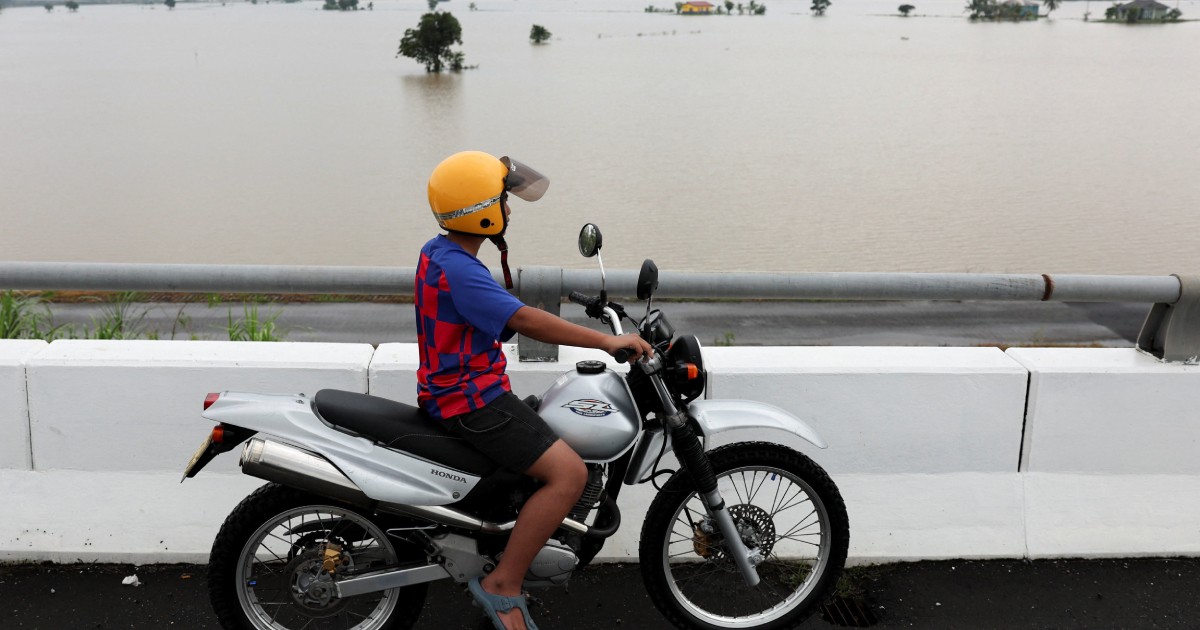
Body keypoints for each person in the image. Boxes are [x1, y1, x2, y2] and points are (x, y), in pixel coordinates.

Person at [414, 150, 653, 630]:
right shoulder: (462, 271)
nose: (508, 209)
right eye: (502, 200)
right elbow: (523, 319)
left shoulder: (438, 252)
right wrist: (608, 341)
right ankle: (503, 583)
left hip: (455, 390)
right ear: (480, 210)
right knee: (568, 475)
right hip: (471, 400)